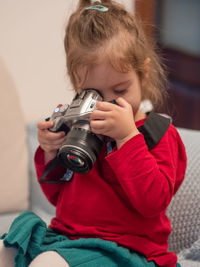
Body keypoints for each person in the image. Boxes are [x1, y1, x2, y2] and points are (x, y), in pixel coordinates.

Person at [0, 0, 187, 266]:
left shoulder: (159, 134)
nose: (106, 104)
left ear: (143, 74)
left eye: (120, 91)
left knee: (48, 263)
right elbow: (57, 197)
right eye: (93, 94)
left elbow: (152, 202)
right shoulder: (80, 127)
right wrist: (50, 152)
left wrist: (126, 138)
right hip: (67, 239)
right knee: (6, 248)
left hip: (125, 250)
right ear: (77, 84)